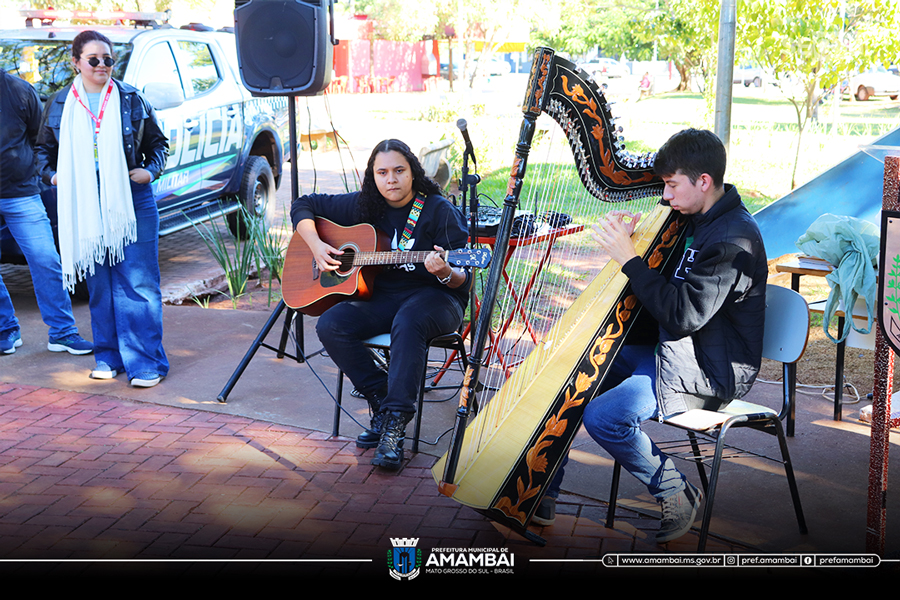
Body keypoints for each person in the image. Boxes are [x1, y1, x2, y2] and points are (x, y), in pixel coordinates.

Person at [535, 129, 767, 544]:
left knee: (605, 416)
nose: (665, 196)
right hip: (673, 352)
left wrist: (629, 257)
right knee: (570, 373)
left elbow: (683, 315)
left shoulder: (734, 238)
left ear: (704, 182)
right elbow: (665, 293)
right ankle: (542, 490)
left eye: (672, 185)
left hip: (710, 370)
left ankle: (676, 490)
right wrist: (638, 240)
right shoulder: (691, 220)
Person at [291, 139, 469, 470]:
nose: (391, 180)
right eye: (382, 172)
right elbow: (303, 204)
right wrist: (316, 246)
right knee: (331, 325)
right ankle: (383, 402)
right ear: (373, 176)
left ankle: (394, 429)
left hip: (438, 297)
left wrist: (446, 271)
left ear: (413, 172)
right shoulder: (365, 206)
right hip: (384, 297)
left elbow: (464, 279)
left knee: (410, 319)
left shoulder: (437, 210)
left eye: (399, 171)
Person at [35, 30, 169, 387]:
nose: (102, 66)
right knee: (99, 285)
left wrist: (149, 171)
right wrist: (52, 176)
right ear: (76, 62)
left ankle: (146, 363)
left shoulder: (129, 98)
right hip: (84, 202)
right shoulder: (60, 103)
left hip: (131, 199)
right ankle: (108, 357)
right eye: (93, 60)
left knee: (137, 283)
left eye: (108, 59)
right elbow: (41, 152)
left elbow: (159, 144)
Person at [0, 68, 92, 356]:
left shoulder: (18, 91)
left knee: (46, 260)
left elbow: (37, 138)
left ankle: (63, 332)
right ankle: (6, 330)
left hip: (21, 192)